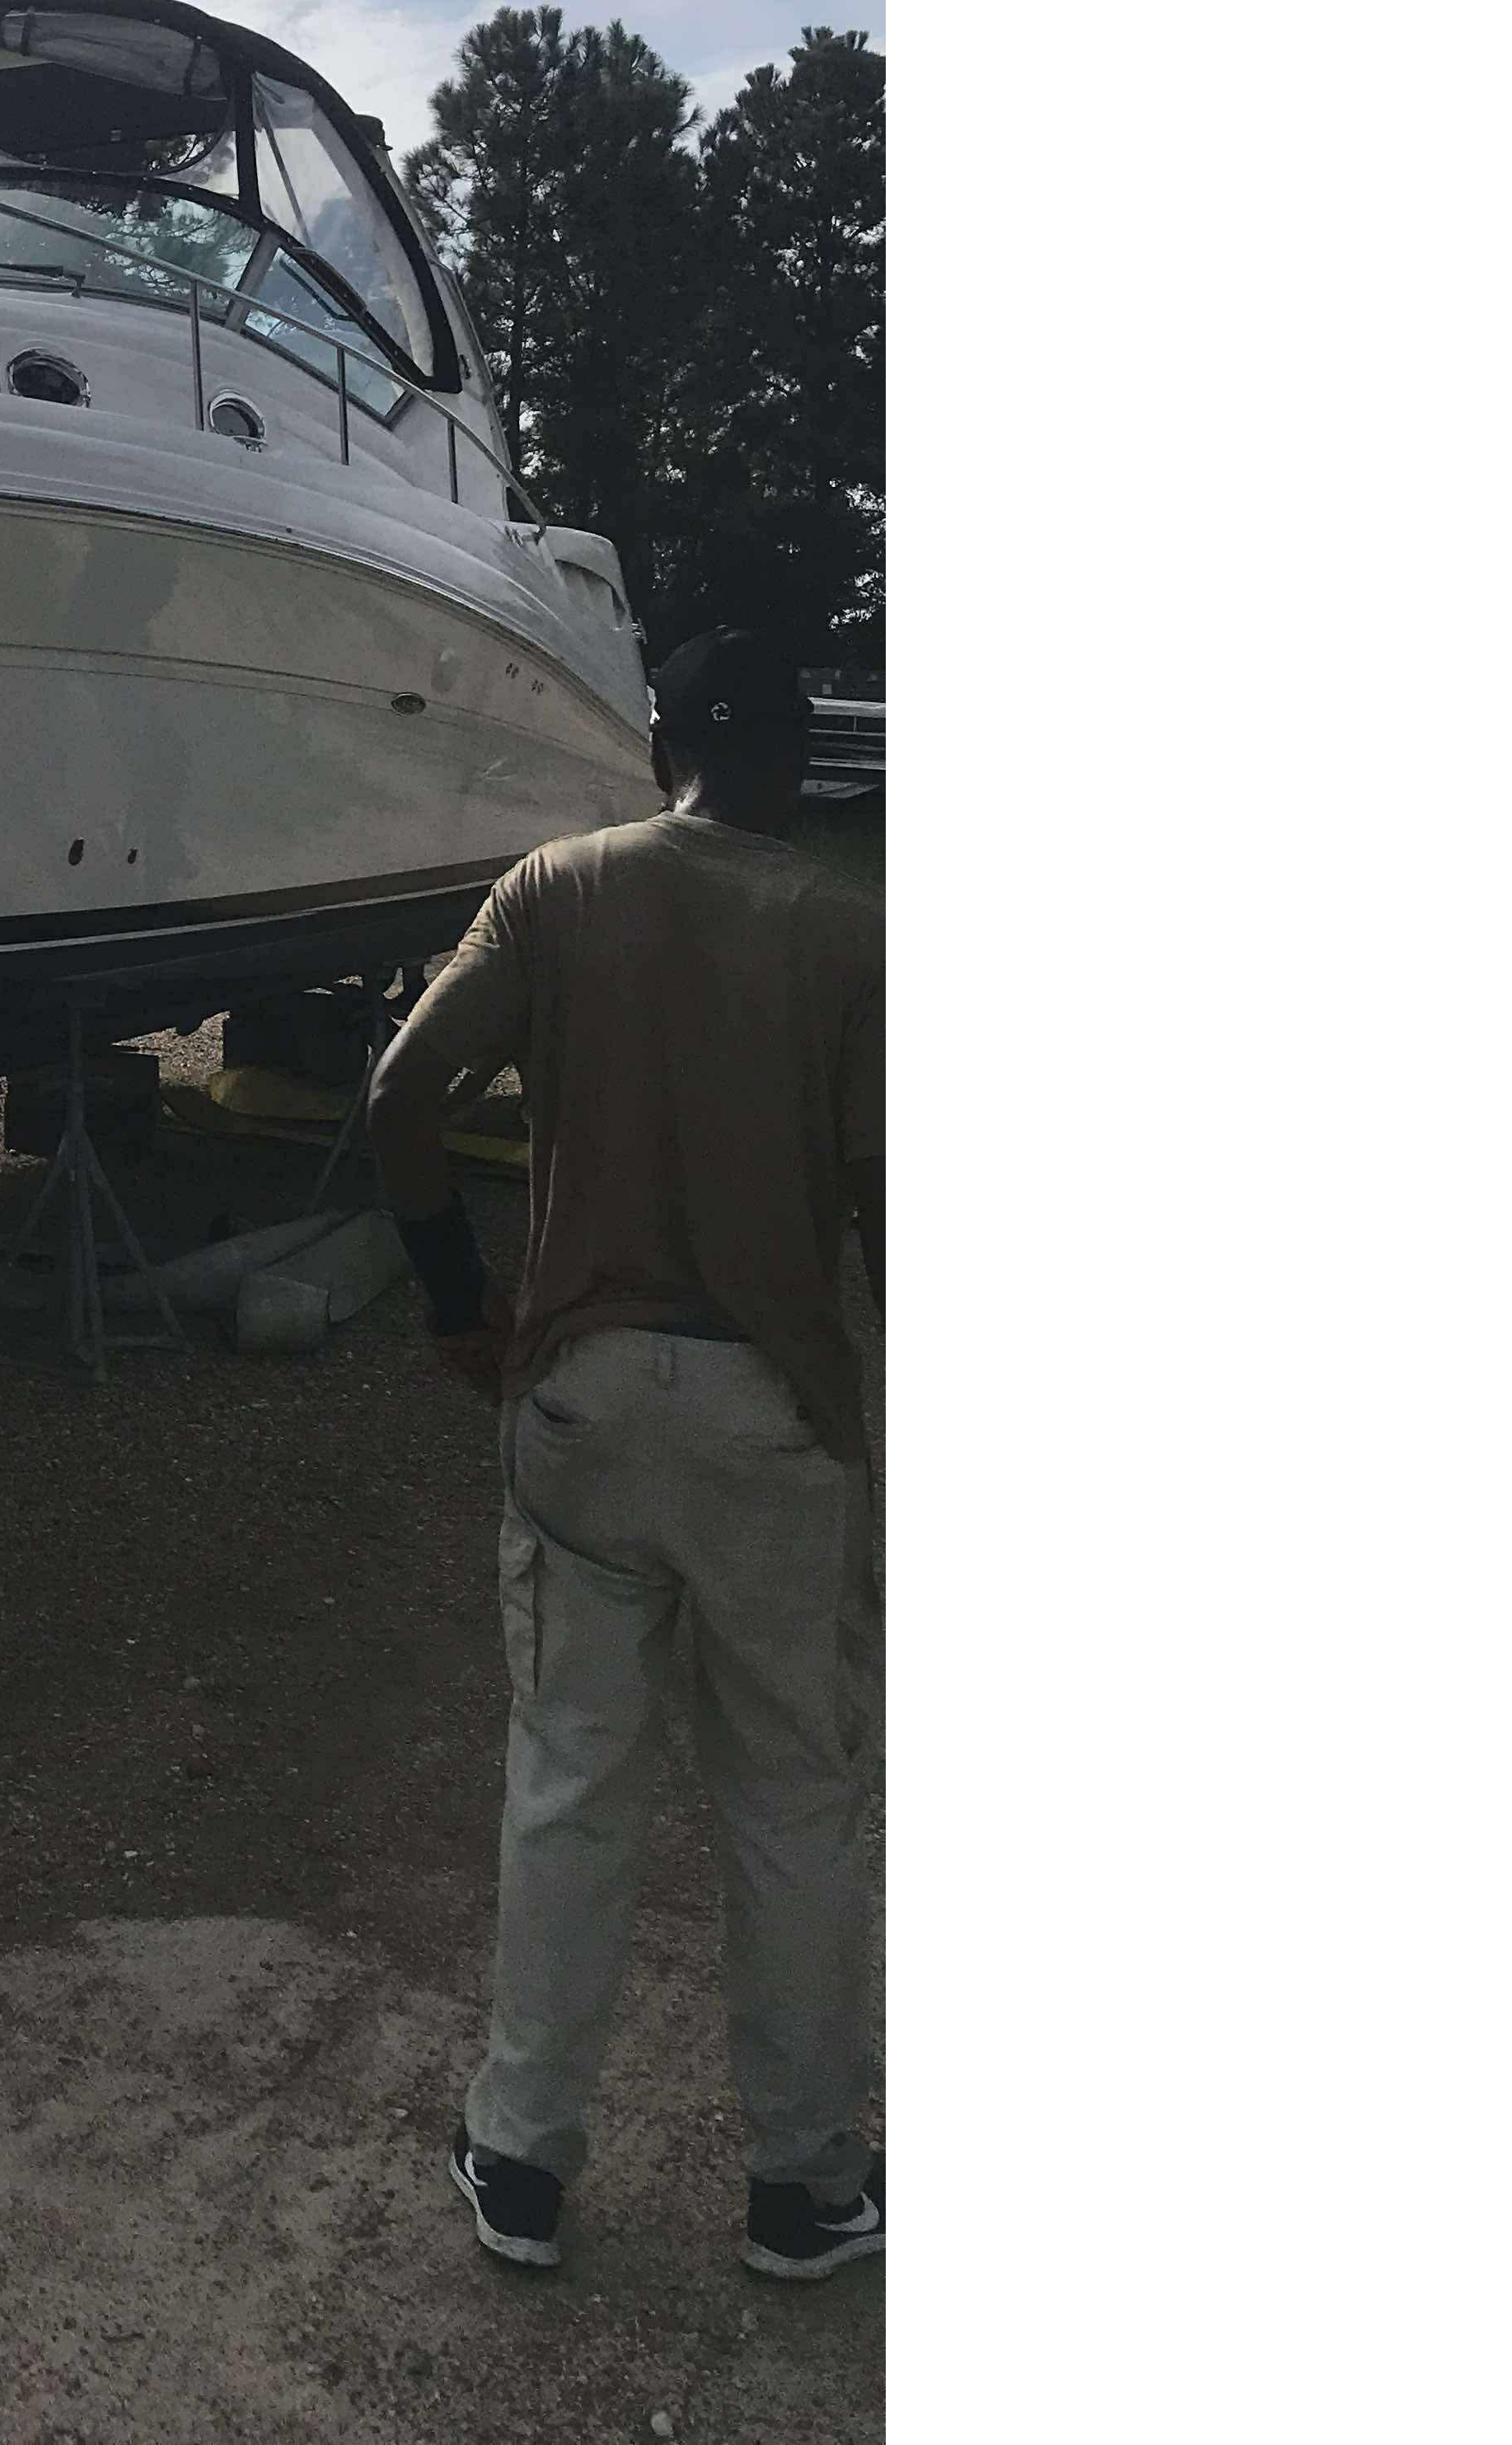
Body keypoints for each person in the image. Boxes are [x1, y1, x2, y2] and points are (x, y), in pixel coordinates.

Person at [365, 628, 887, 2281]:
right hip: (771, 1418)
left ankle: (522, 2161)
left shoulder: (558, 890)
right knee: (793, 1802)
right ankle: (804, 2187)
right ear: (803, 770)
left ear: (665, 748)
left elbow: (400, 1094)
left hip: (583, 1402)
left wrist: (460, 1307)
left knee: (573, 1783)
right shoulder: (855, 936)